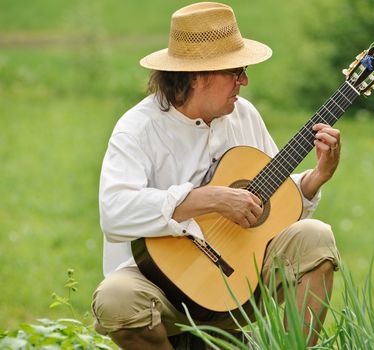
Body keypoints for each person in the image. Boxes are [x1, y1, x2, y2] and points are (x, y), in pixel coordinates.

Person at [91, 2, 341, 349]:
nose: (245, 80)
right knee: (115, 299)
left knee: (316, 236)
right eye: (236, 71)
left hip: (238, 284)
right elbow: (115, 212)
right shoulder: (137, 129)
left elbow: (271, 202)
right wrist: (210, 200)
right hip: (158, 290)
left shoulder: (244, 115)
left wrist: (316, 177)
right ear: (198, 75)